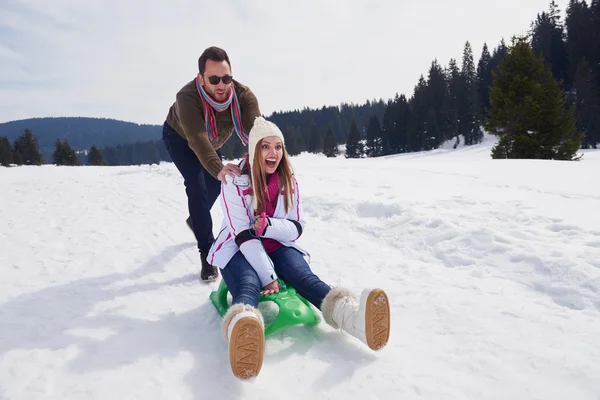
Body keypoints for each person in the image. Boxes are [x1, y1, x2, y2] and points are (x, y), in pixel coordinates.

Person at [207, 116, 391, 380]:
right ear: (254, 149)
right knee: (248, 281)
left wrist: (268, 226)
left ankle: (353, 319)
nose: (273, 153)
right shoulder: (234, 182)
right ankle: (245, 328)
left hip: (277, 243)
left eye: (278, 147)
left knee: (303, 276)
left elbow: (296, 227)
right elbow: (244, 236)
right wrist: (268, 277)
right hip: (238, 247)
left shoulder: (288, 181)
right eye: (265, 146)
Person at [162, 46, 261, 282]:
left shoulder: (243, 96)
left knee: (216, 186)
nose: (221, 85)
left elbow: (256, 132)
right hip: (181, 138)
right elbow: (197, 138)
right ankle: (207, 253)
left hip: (213, 140)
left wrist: (263, 159)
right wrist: (218, 168)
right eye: (214, 79)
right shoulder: (186, 97)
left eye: (226, 78)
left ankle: (196, 218)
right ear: (201, 78)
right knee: (196, 186)